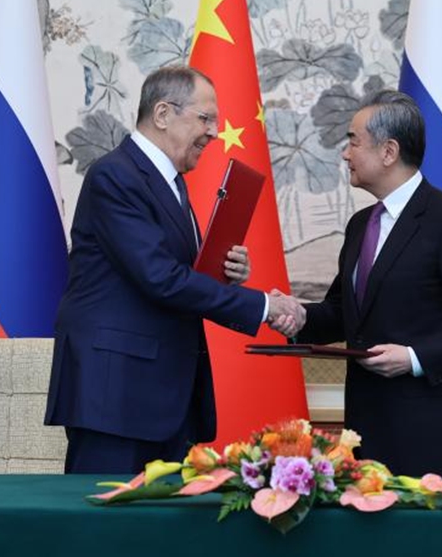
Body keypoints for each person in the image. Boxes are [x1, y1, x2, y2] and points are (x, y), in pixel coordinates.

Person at [44, 65, 303, 475]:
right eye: (205, 118)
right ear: (163, 114)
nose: (214, 132)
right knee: (105, 513)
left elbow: (173, 273)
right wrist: (264, 307)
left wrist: (226, 274)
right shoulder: (115, 176)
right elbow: (160, 278)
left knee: (163, 516)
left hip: (161, 394)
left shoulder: (170, 182)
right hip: (115, 395)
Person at [294, 90, 442, 477]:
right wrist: (292, 315)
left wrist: (413, 358)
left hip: (430, 436)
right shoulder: (360, 225)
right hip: (365, 432)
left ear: (388, 151)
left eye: (353, 141)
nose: (345, 154)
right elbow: (344, 314)